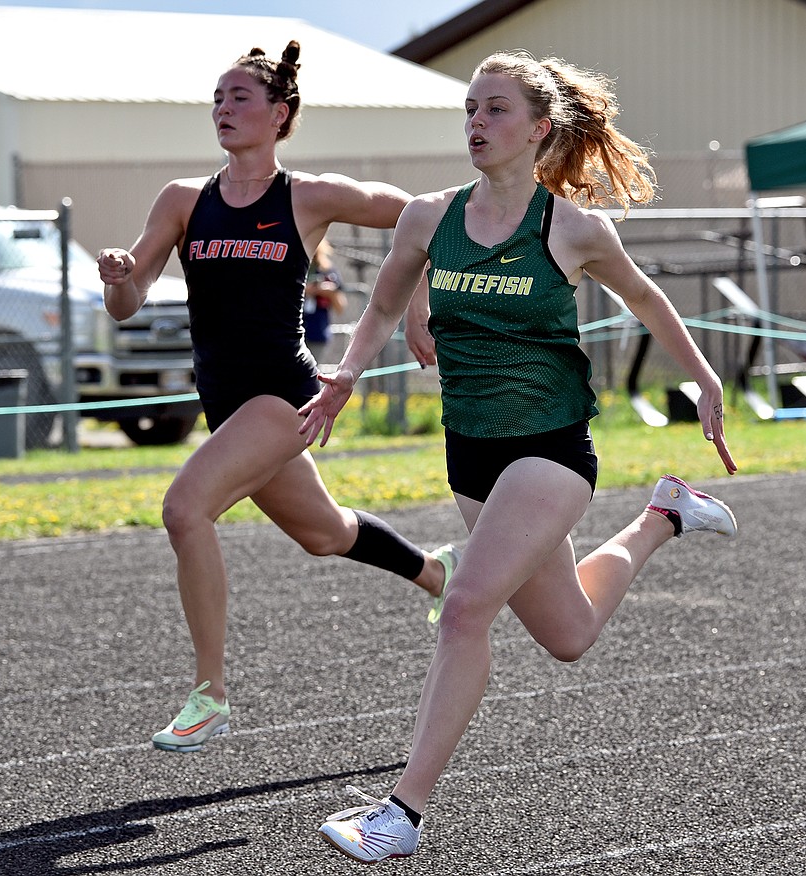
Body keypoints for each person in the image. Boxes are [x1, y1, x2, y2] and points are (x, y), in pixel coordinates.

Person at [299, 50, 739, 862]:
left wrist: (705, 377)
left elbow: (645, 296)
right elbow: (390, 295)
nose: (476, 122)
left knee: (466, 604)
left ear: (538, 129)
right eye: (470, 107)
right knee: (568, 633)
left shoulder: (573, 227)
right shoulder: (429, 217)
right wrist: (346, 374)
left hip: (550, 450)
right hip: (470, 452)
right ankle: (664, 515)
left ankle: (401, 814)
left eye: (496, 109)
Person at [97, 41, 458, 755]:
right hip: (227, 406)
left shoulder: (308, 196)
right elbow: (127, 305)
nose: (224, 110)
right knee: (325, 534)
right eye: (217, 99)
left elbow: (430, 217)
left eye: (240, 98)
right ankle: (437, 572)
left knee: (183, 509)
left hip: (281, 398)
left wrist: (418, 305)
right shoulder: (182, 201)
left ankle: (210, 695)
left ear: (279, 114)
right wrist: (117, 275)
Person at [303, 239, 347, 363]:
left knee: (311, 370)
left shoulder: (327, 270)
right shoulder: (293, 266)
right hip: (291, 331)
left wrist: (328, 291)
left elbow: (341, 307)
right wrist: (305, 290)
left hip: (316, 331)